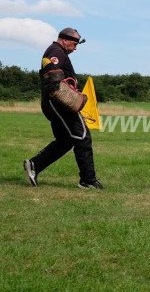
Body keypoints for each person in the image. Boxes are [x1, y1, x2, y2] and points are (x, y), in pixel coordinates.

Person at [23, 27, 103, 189]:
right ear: (65, 40)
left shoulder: (58, 52)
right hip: (59, 103)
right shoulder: (56, 51)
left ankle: (34, 165)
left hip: (53, 103)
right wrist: (70, 100)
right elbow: (52, 78)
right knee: (82, 137)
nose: (75, 48)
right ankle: (88, 180)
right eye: (74, 44)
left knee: (66, 140)